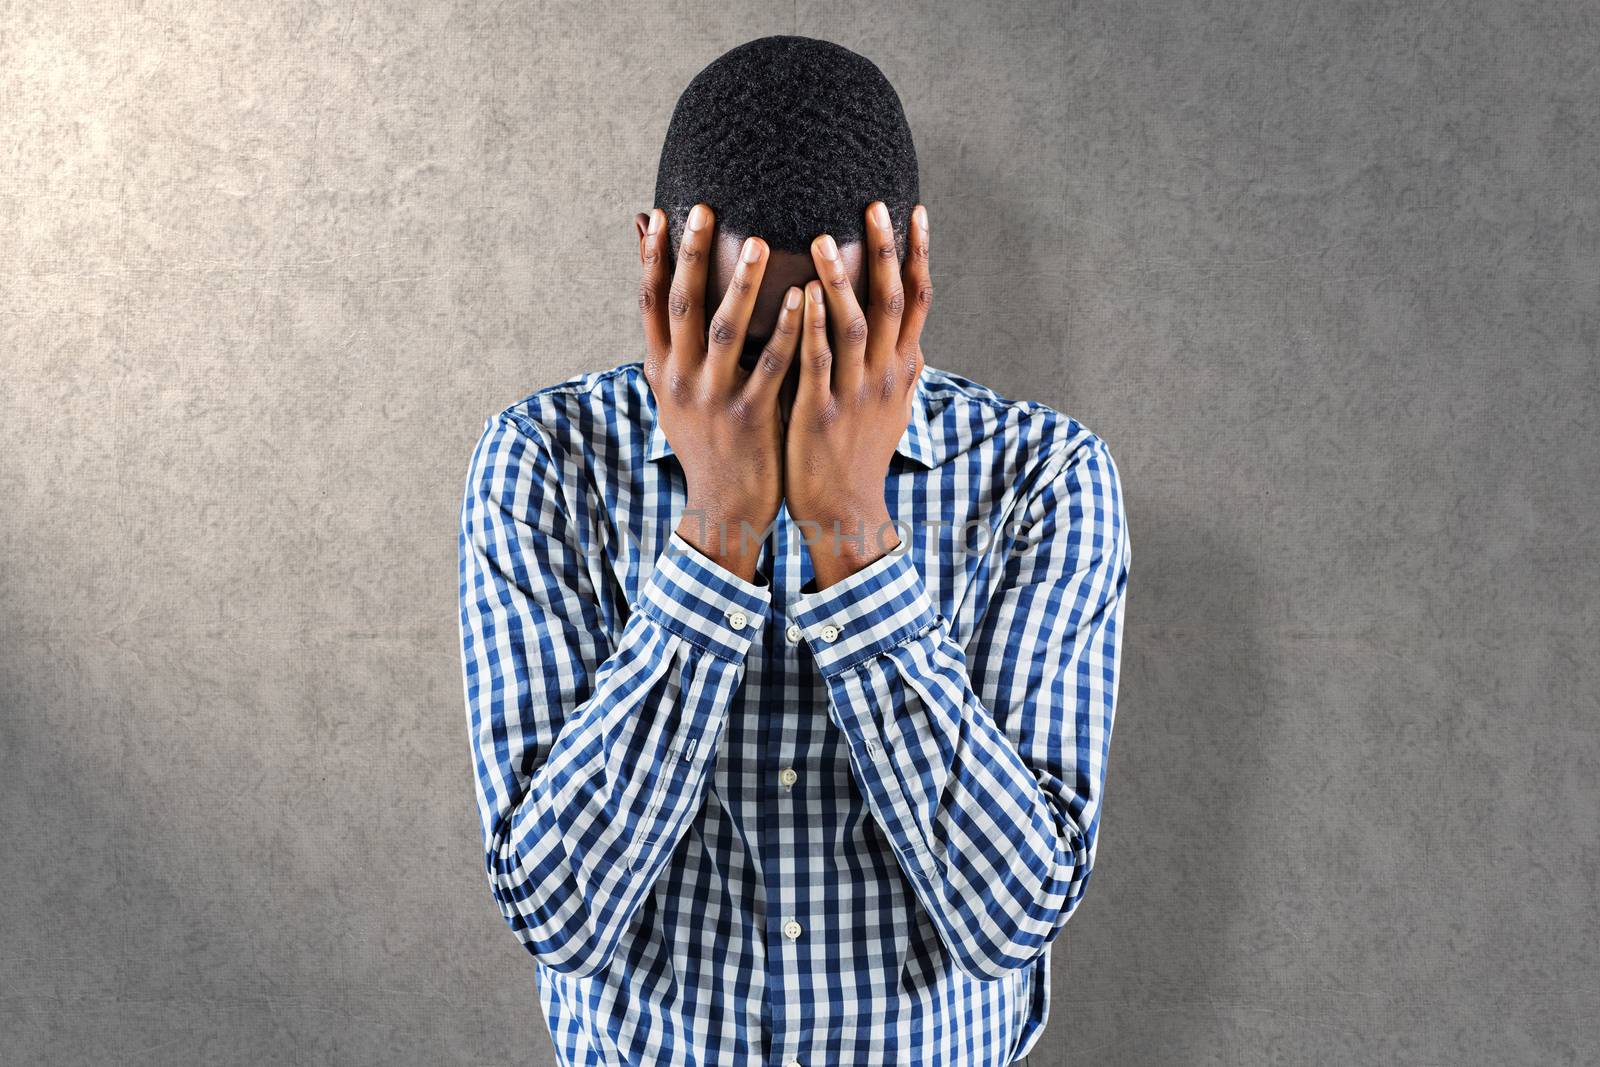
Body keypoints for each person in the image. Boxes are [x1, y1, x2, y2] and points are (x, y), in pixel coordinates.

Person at [456, 34, 1131, 1067]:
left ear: (909, 272)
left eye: (831, 339)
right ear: (656, 265)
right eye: (743, 338)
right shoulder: (543, 467)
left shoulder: (1041, 479)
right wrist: (718, 525)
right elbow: (558, 914)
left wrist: (850, 533)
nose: (783, 392)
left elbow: (1009, 919)